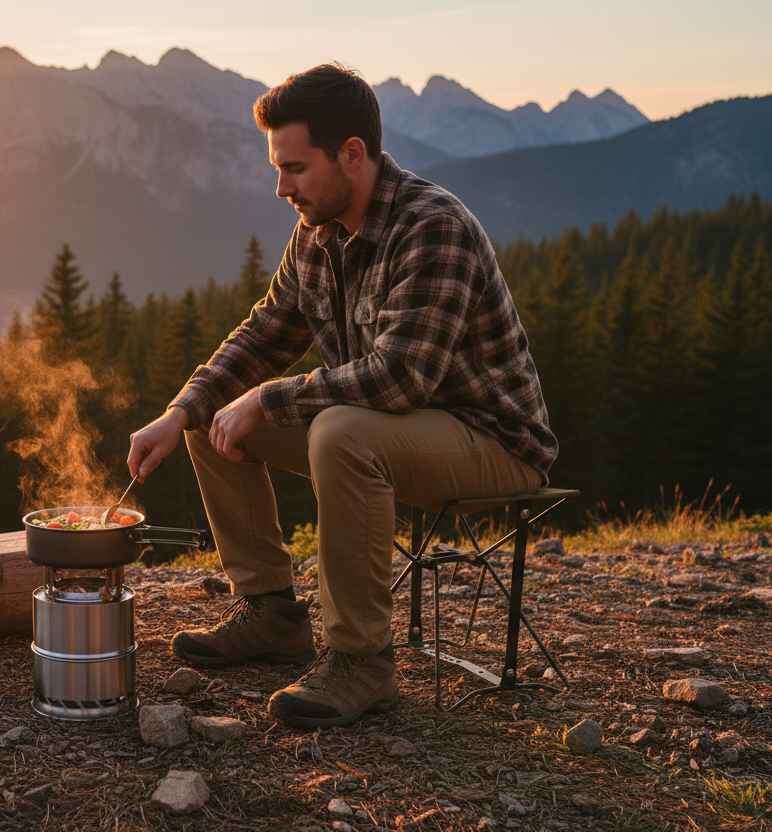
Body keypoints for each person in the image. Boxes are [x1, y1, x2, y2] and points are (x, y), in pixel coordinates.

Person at [125, 63, 557, 729]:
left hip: (492, 442)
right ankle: (271, 612)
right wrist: (180, 410)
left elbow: (399, 379)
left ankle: (363, 661)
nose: (280, 187)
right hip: (398, 430)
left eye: (295, 168)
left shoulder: (432, 226)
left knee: (338, 431)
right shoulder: (316, 235)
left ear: (352, 155)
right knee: (215, 415)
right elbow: (264, 335)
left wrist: (268, 401)